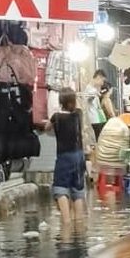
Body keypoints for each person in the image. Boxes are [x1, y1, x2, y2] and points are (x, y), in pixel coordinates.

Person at [48, 89, 86, 229]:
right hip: (79, 156)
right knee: (78, 190)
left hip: (64, 157)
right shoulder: (78, 115)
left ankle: (66, 222)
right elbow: (79, 107)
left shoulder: (56, 117)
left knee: (60, 188)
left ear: (60, 102)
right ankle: (79, 224)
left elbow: (47, 128)